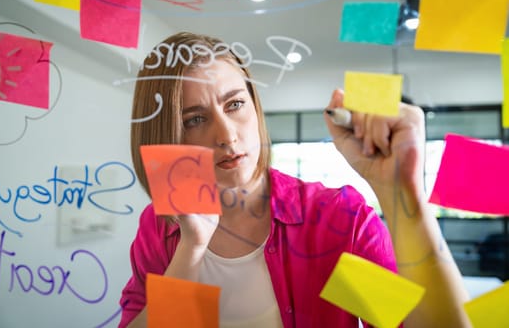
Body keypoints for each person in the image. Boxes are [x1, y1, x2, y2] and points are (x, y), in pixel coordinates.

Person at [119, 31, 471, 327]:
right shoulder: (160, 227)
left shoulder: (336, 220)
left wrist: (402, 193)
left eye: (235, 105)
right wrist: (190, 250)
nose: (227, 135)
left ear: (254, 106)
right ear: (166, 138)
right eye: (195, 119)